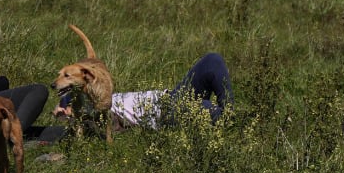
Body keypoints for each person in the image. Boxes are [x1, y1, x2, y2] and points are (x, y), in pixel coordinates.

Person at [52, 52, 233, 131]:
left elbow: (77, 86)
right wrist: (71, 117)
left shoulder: (96, 96)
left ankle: (229, 113)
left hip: (170, 95)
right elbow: (102, 124)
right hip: (164, 112)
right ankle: (223, 117)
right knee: (206, 108)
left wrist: (65, 103)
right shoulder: (96, 115)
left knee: (212, 60)